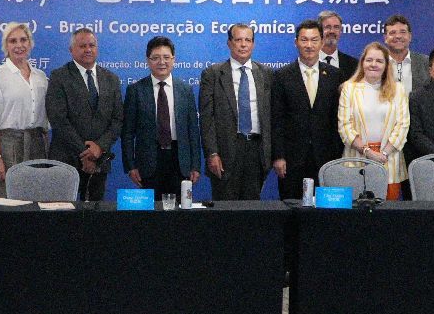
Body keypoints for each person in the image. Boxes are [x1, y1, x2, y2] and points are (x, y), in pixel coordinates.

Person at [45, 28, 123, 201]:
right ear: (71, 50)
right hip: (66, 159)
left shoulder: (111, 79)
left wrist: (99, 148)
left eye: (91, 45)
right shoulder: (59, 77)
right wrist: (85, 153)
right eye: (82, 46)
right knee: (63, 213)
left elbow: (117, 120)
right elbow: (58, 120)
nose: (88, 49)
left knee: (95, 213)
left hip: (99, 160)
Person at [270, 20, 344, 199]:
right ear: (296, 42)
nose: (309, 45)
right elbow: (276, 119)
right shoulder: (282, 76)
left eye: (314, 40)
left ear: (322, 42)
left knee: (324, 208)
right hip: (292, 159)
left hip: (326, 157)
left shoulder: (334, 75)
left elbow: (338, 118)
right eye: (304, 40)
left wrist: (338, 155)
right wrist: (279, 156)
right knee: (291, 207)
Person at [199, 24, 272, 200]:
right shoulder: (213, 74)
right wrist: (212, 153)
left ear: (253, 44)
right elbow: (207, 119)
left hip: (256, 151)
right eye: (238, 40)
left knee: (252, 207)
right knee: (225, 209)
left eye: (248, 40)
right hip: (225, 153)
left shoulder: (266, 73)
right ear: (229, 43)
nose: (243, 44)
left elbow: (272, 116)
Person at [121, 36, 201, 198]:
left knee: (180, 209)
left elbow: (193, 131)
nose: (161, 62)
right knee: (151, 211)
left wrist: (195, 165)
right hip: (148, 163)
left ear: (173, 59)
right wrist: (130, 166)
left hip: (180, 162)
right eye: (156, 58)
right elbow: (127, 133)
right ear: (148, 60)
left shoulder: (185, 90)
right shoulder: (135, 90)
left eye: (166, 57)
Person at [0, 22, 49, 198]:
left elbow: (46, 120)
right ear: (6, 46)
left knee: (36, 198)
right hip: (8, 147)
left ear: (30, 43)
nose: (19, 45)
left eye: (23, 40)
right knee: (8, 200)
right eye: (13, 41)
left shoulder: (41, 77)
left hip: (37, 145)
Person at [337, 42, 410, 198]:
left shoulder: (398, 89)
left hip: (389, 159)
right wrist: (368, 152)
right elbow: (345, 126)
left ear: (386, 65)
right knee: (356, 207)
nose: (373, 64)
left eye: (379, 61)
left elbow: (402, 125)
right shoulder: (349, 88)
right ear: (362, 62)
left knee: (387, 209)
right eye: (369, 60)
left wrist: (384, 153)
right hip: (357, 157)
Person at [383, 14, 429, 91]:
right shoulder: (378, 63)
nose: (398, 36)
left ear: (410, 36)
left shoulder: (426, 62)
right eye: (392, 33)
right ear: (385, 38)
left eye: (403, 32)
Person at [318, 10, 358, 77]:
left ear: (340, 31)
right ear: (319, 31)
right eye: (328, 27)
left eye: (336, 27)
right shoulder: (308, 61)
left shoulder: (353, 64)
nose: (332, 31)